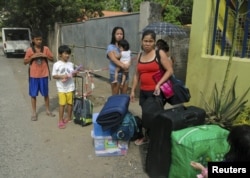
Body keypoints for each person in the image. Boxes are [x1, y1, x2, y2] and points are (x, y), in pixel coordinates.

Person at [130, 30, 174, 145]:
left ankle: (156, 139)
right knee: (146, 114)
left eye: (150, 41)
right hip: (143, 91)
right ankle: (150, 137)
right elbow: (136, 75)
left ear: (154, 42)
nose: (147, 43)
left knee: (153, 115)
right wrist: (133, 90)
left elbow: (169, 71)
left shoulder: (159, 54)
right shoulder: (140, 55)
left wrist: (159, 84)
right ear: (141, 41)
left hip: (156, 92)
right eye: (145, 41)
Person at [24, 30, 55, 121]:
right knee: (33, 94)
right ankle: (34, 113)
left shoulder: (45, 49)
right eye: (37, 40)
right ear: (33, 40)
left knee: (46, 94)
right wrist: (32, 57)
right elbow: (25, 62)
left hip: (44, 75)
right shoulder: (30, 50)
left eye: (40, 40)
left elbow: (52, 59)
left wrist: (45, 56)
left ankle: (48, 110)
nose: (39, 41)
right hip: (33, 76)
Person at [52, 45, 78, 129]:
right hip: (61, 88)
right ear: (60, 54)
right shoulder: (56, 64)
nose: (67, 55)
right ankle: (60, 120)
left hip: (70, 87)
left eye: (68, 54)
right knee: (62, 104)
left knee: (70, 103)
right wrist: (62, 76)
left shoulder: (71, 64)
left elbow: (74, 74)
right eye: (65, 53)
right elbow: (54, 76)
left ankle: (69, 117)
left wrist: (75, 73)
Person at [106, 26, 130, 95]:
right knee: (115, 96)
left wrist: (128, 65)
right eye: (117, 34)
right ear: (114, 35)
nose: (119, 35)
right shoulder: (110, 47)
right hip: (115, 74)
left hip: (125, 73)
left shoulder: (126, 46)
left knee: (124, 96)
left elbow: (129, 57)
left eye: (121, 34)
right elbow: (114, 59)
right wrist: (123, 65)